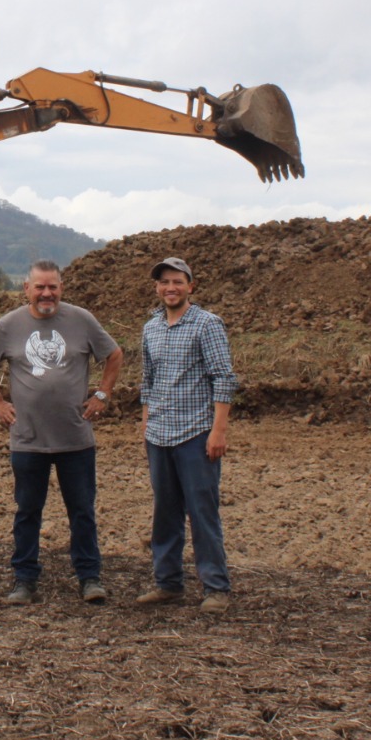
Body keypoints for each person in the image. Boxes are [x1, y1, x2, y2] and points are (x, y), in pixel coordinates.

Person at [0, 259, 122, 605]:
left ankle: (89, 578)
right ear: (26, 289)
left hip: (75, 439)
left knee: (82, 511)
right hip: (27, 440)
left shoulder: (81, 320)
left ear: (61, 288)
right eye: (39, 287)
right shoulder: (9, 325)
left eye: (52, 286)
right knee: (27, 512)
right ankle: (24, 580)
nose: (46, 293)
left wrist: (102, 393)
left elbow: (114, 355)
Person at [136, 256, 238, 613]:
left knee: (202, 511)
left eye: (177, 281)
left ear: (190, 286)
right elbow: (147, 380)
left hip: (196, 433)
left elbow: (224, 378)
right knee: (165, 512)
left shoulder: (207, 324)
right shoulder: (151, 328)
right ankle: (168, 583)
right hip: (159, 434)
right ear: (157, 288)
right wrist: (146, 421)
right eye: (164, 282)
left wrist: (218, 431)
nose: (170, 288)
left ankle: (215, 587)